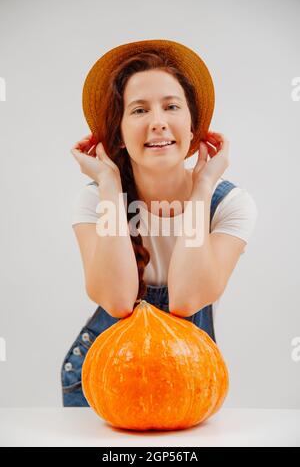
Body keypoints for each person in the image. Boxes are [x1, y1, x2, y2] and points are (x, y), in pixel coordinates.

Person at [61, 39, 258, 406]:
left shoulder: (230, 205)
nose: (157, 123)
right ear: (117, 132)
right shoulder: (95, 200)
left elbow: (185, 300)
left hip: (188, 379)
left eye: (171, 106)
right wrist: (109, 186)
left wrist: (202, 188)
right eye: (138, 110)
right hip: (103, 384)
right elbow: (119, 300)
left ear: (193, 124)